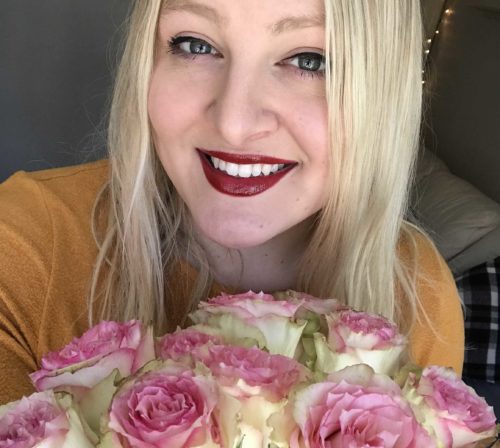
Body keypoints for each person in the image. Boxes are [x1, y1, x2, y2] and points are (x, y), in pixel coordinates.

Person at [0, 0, 463, 405]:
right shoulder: (20, 245)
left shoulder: (416, 296)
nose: (234, 124)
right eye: (196, 45)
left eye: (310, 59)